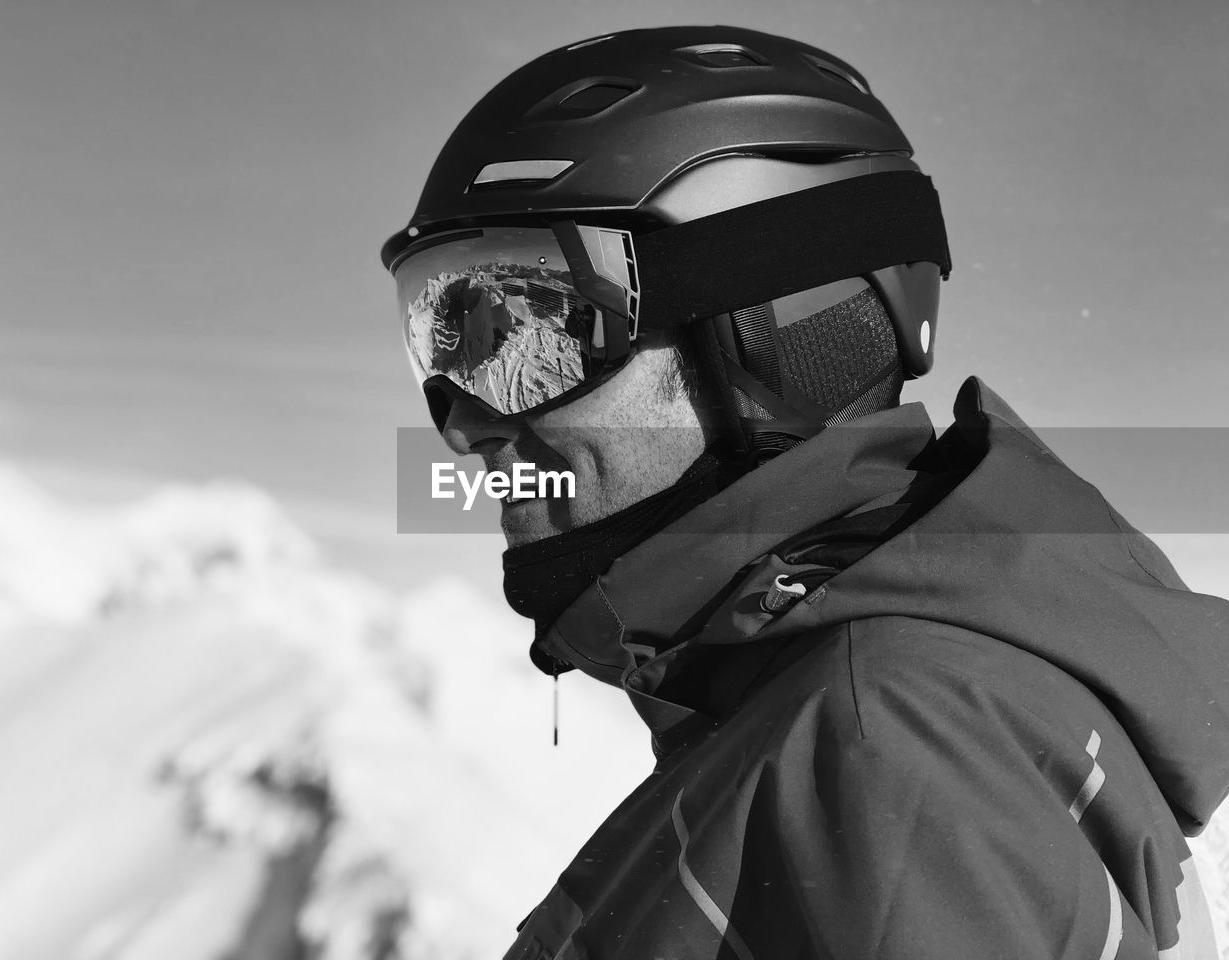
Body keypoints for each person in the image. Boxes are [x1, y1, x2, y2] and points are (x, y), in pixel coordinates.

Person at [383, 25, 1229, 959]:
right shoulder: (847, 716)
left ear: (773, 336)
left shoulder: (886, 748)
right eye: (440, 338)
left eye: (534, 331)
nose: (462, 423)